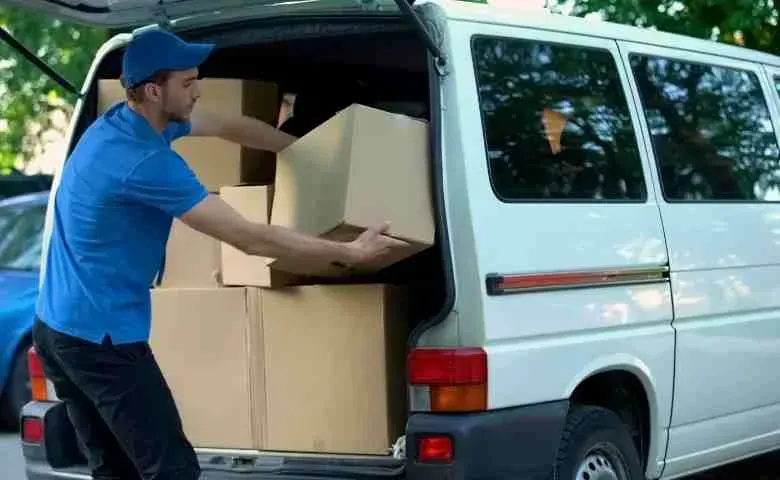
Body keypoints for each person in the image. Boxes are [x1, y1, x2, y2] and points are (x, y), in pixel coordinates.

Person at [31, 27, 407, 480]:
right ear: (153, 90)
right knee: (171, 468)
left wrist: (300, 151)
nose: (199, 90)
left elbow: (230, 126)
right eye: (188, 83)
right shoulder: (146, 162)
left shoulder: (120, 121)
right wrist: (350, 252)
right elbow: (249, 238)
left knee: (116, 468)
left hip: (55, 327)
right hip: (100, 339)